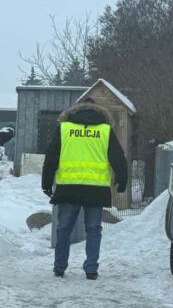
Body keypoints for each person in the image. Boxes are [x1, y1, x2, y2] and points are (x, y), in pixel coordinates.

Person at [41, 101, 128, 280]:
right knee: (94, 229)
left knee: (64, 228)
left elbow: (51, 156)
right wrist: (122, 179)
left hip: (68, 187)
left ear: (73, 112)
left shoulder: (64, 128)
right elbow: (118, 157)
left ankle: (59, 267)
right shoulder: (105, 130)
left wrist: (46, 182)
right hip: (96, 189)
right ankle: (91, 269)